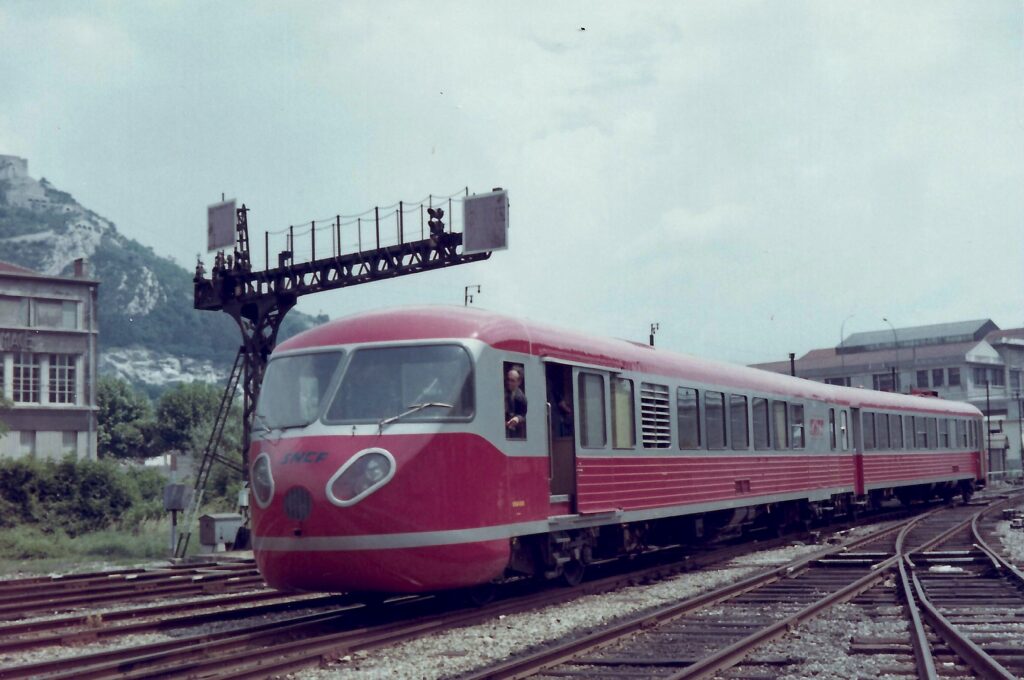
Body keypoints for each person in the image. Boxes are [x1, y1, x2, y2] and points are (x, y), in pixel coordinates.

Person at [505, 367, 528, 438]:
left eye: (512, 381)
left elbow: (523, 414)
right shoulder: (504, 392)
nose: (509, 383)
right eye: (508, 380)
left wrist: (517, 419)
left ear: (519, 382)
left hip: (515, 433)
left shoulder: (521, 398)